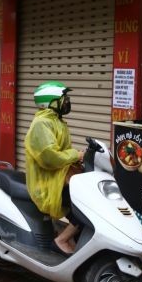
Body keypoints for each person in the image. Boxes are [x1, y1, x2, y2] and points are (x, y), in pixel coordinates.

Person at [24, 81, 84, 256]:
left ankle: (70, 238)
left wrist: (77, 158)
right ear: (51, 102)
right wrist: (75, 155)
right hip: (46, 182)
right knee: (83, 208)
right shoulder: (41, 124)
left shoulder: (56, 121)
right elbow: (49, 157)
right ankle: (61, 240)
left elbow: (62, 152)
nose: (67, 101)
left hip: (57, 177)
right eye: (64, 98)